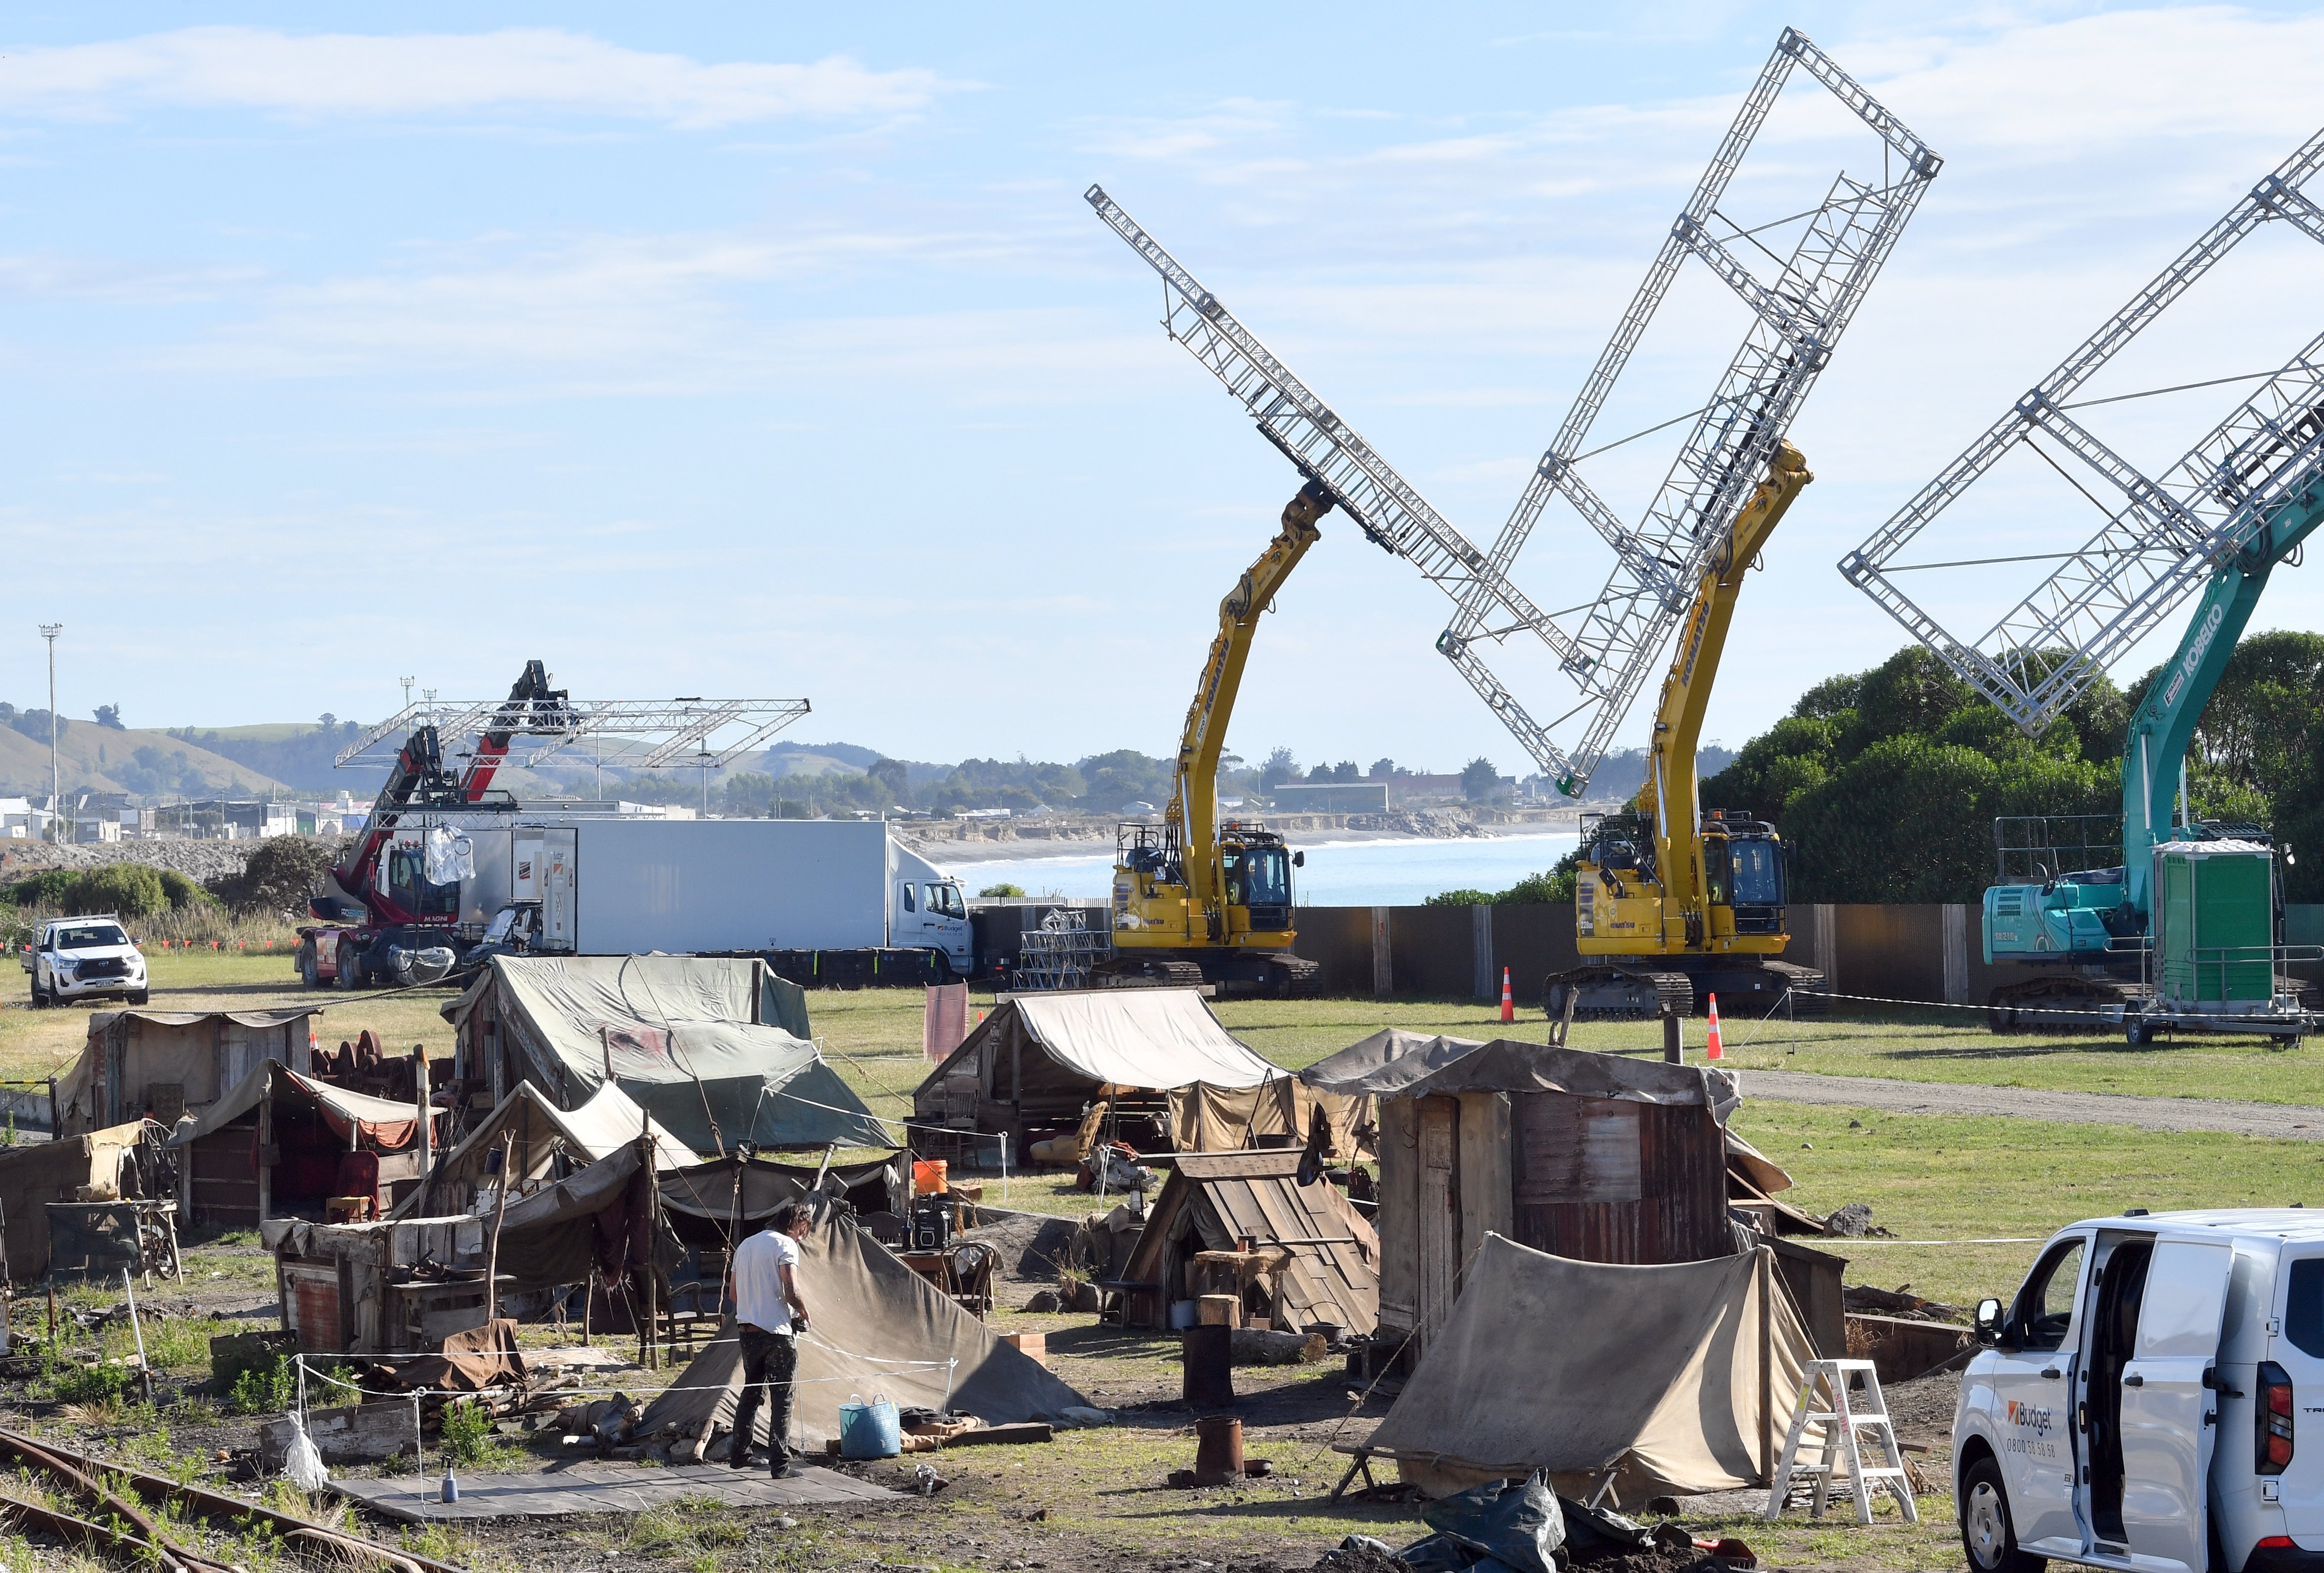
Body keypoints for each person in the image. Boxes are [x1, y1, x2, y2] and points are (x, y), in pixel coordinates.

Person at [727, 1198, 814, 1478]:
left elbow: (734, 1296)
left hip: (747, 1331)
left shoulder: (745, 1246)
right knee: (783, 1398)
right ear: (798, 1223)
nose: (803, 1236)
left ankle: (740, 1454)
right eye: (804, 1229)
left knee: (751, 1393)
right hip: (776, 1333)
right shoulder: (785, 1245)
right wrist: (804, 1313)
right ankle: (780, 1465)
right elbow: (791, 1289)